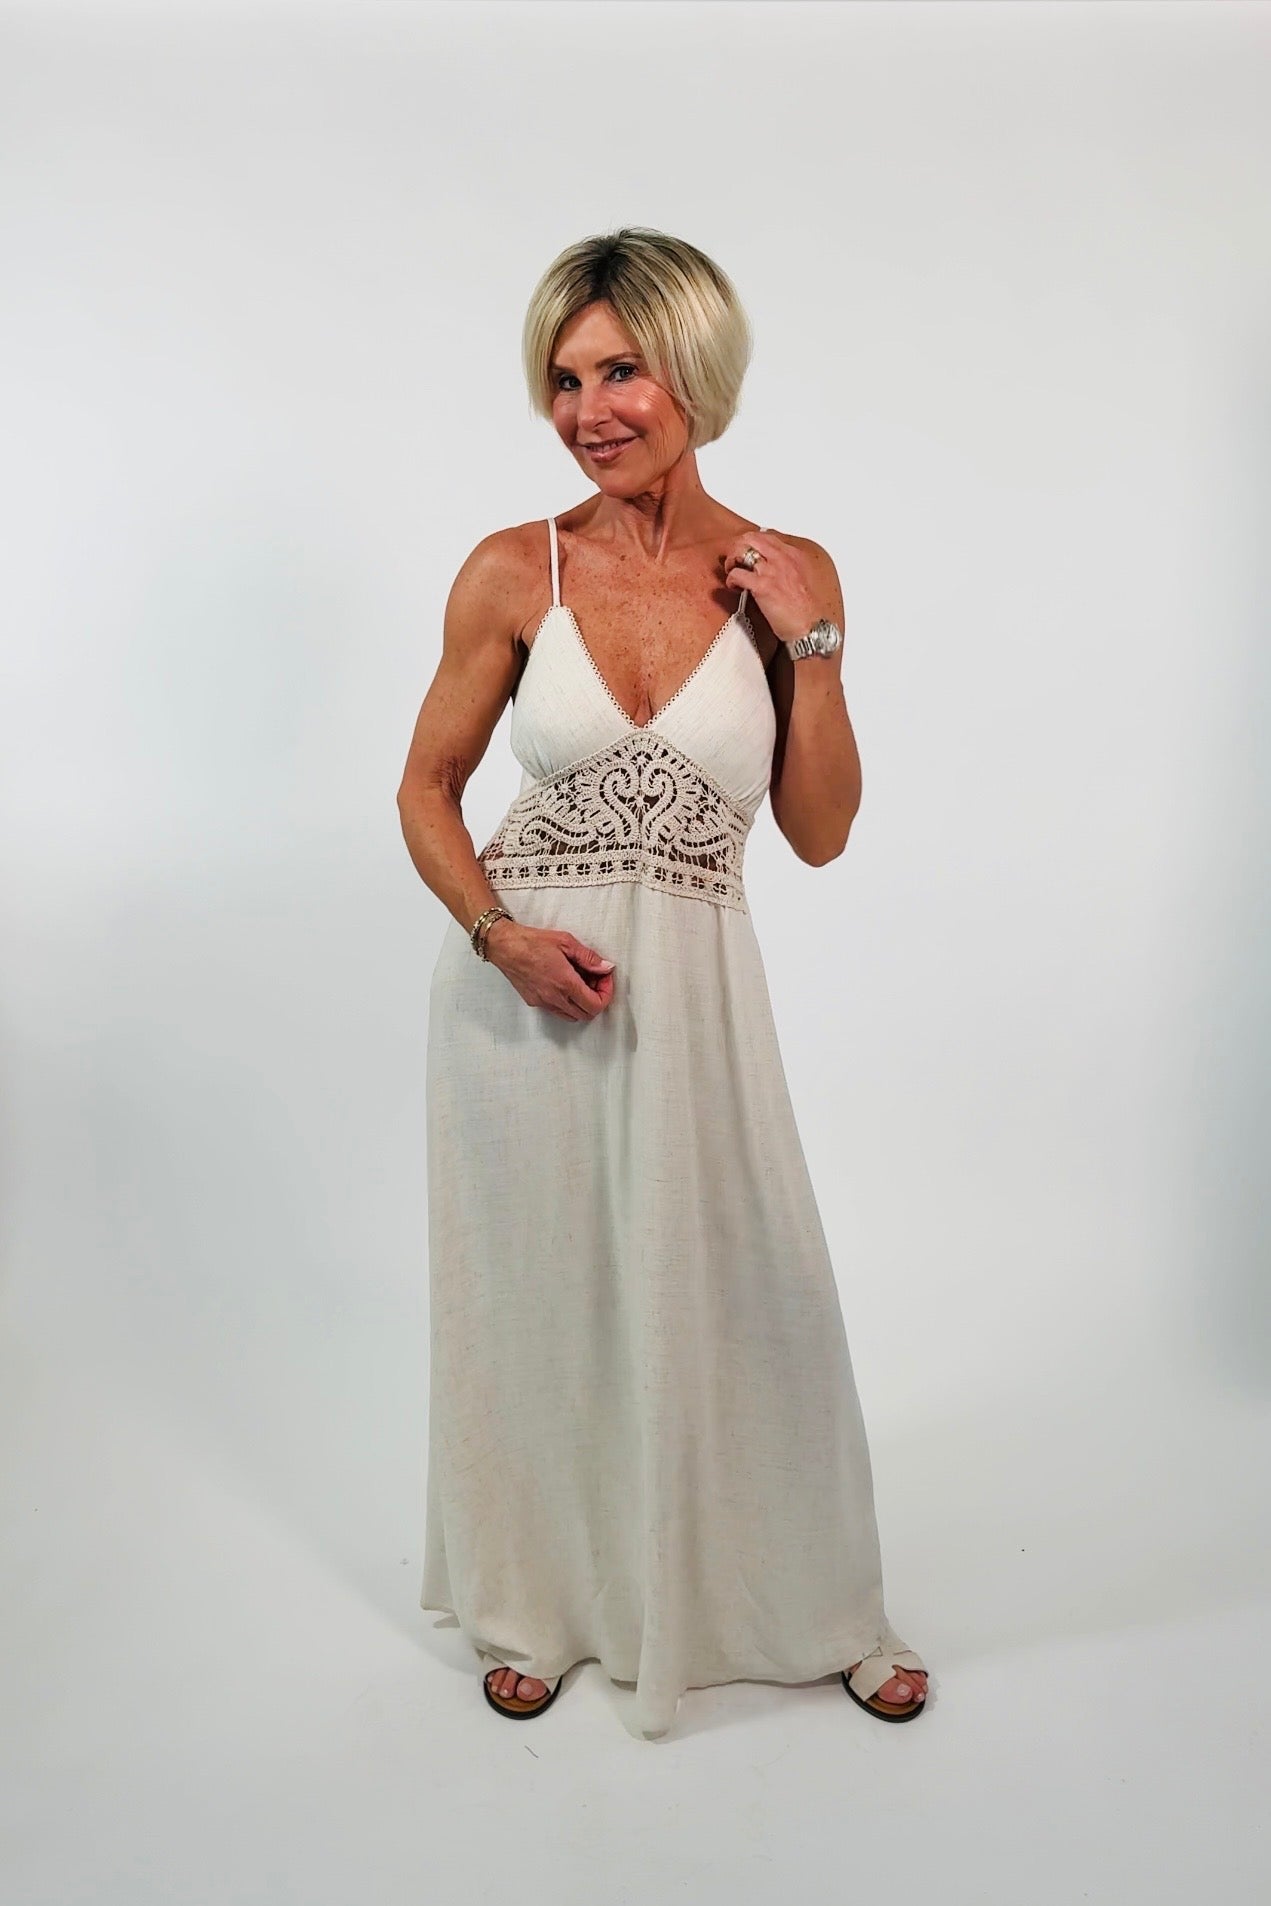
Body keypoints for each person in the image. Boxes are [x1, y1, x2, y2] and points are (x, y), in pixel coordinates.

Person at [396, 226, 930, 1740]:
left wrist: (813, 647)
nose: (589, 410)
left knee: (756, 1289)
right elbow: (426, 790)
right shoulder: (515, 569)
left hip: (696, 1002)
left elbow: (820, 833)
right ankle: (535, 1602)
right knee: (540, 1300)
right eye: (565, 380)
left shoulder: (787, 573)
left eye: (620, 371)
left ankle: (818, 1605)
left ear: (694, 370)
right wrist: (499, 934)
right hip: (521, 999)